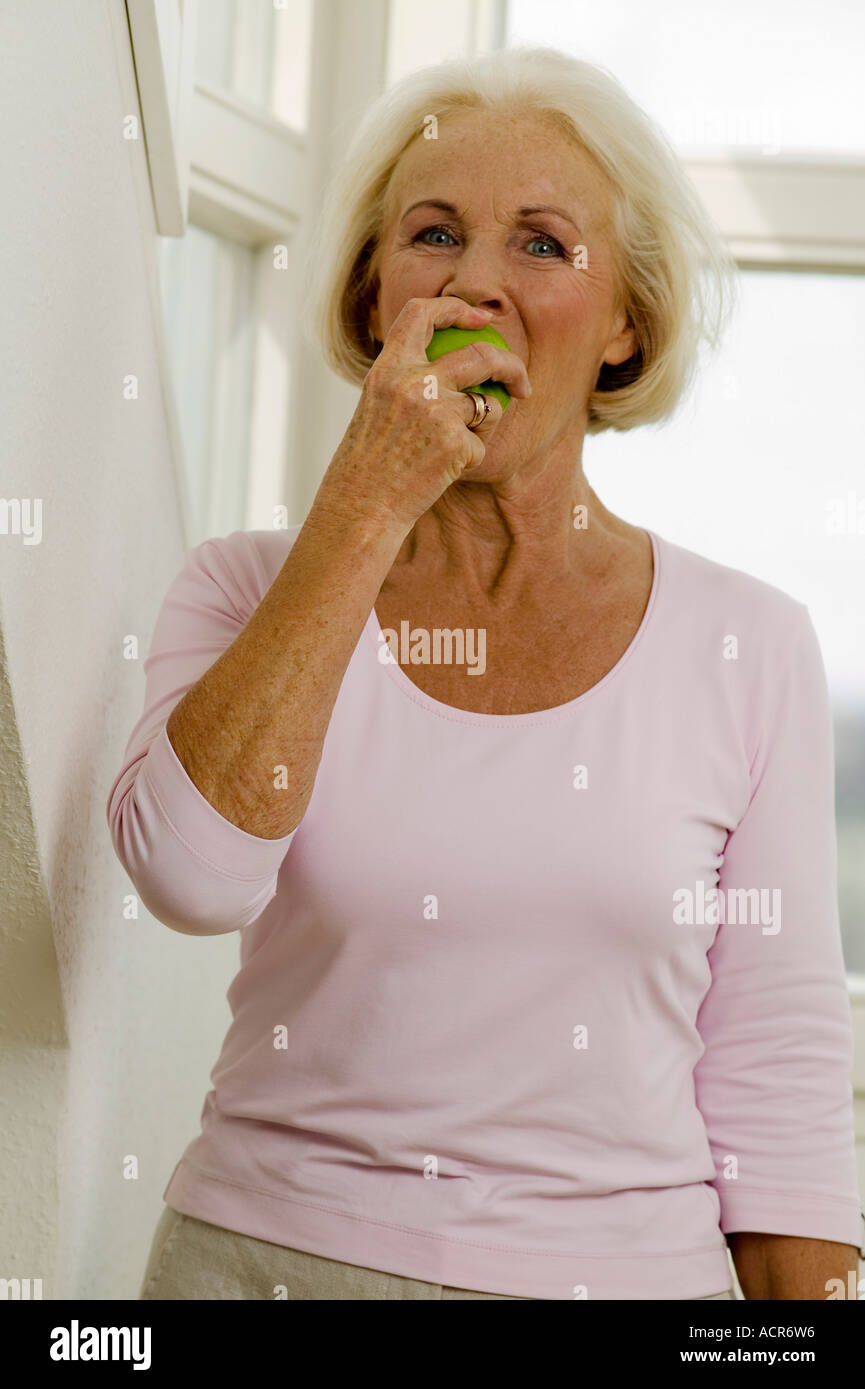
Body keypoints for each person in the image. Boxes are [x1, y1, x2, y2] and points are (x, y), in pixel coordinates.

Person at [107, 45, 864, 1300]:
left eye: (542, 245)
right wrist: (363, 501)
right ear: (370, 301)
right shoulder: (240, 589)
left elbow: (775, 1091)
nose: (475, 281)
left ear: (625, 321)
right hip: (264, 1266)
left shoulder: (752, 644)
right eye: (435, 234)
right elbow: (189, 877)